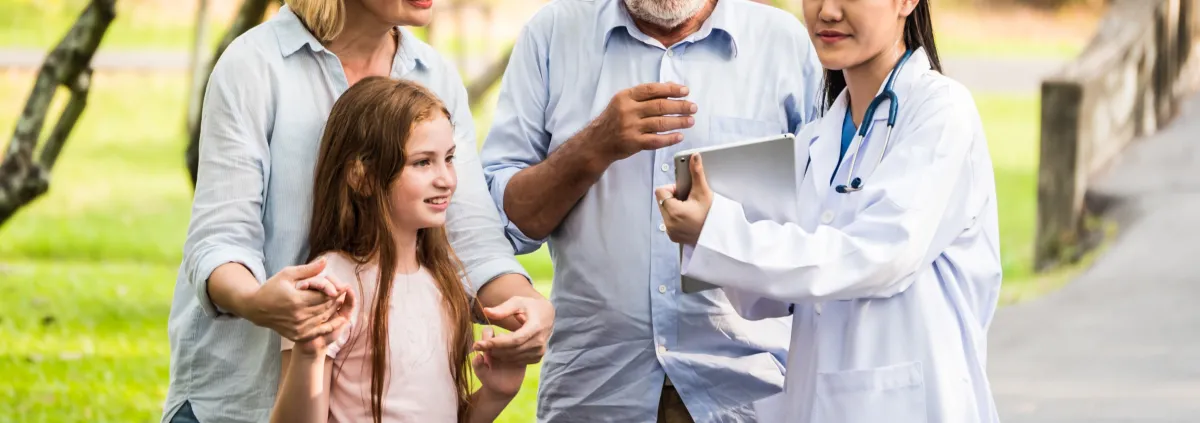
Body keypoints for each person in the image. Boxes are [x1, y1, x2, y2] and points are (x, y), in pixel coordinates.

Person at [163, 1, 554, 422]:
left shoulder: (434, 77)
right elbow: (221, 241)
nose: (442, 175)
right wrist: (259, 303)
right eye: (424, 162)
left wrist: (531, 307)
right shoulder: (255, 66)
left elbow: (473, 243)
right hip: (237, 402)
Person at [656, 0, 1003, 421]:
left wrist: (722, 233)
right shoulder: (816, 139)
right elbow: (764, 299)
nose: (828, 11)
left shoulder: (942, 112)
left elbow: (881, 256)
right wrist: (706, 228)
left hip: (911, 403)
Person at [478, 0, 823, 421]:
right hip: (596, 393)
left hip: (750, 391)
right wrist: (594, 145)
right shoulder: (551, 34)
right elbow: (512, 222)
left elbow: (823, 227)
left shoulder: (786, 43)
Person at [271, 77, 525, 423]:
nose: (446, 179)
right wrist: (309, 355)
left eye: (448, 159)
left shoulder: (443, 281)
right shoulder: (331, 283)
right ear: (363, 176)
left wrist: (497, 393)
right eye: (423, 162)